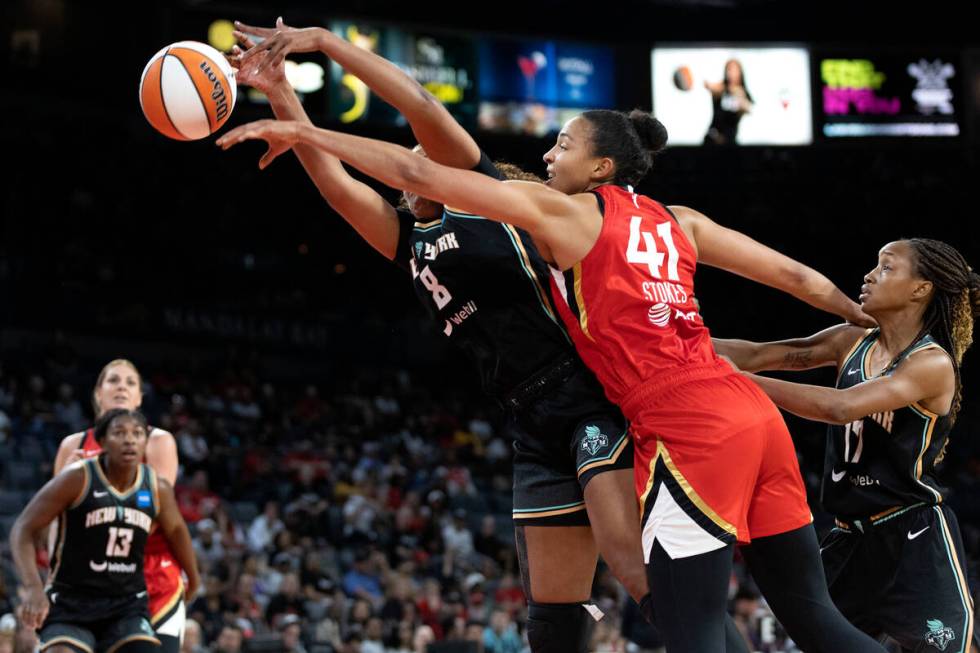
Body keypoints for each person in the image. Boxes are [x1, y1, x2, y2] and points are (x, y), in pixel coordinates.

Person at [216, 105, 886, 652]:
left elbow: (419, 138)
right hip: (639, 409)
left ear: (596, 165)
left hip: (632, 407)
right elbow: (793, 278)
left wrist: (306, 111)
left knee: (673, 603)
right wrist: (854, 312)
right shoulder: (672, 220)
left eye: (561, 144)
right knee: (792, 615)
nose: (548, 155)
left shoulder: (529, 213)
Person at [229, 18, 667, 652]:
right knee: (551, 614)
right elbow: (333, 181)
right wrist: (278, 91)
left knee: (631, 563)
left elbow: (421, 103)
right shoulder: (408, 243)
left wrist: (325, 42)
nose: (405, 160)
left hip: (584, 393)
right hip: (527, 419)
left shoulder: (485, 193)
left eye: (414, 153)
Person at [715, 238, 979, 653]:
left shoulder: (931, 363)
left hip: (911, 536)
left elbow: (840, 407)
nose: (870, 275)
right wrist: (681, 342)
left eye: (887, 267)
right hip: (846, 538)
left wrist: (734, 380)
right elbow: (763, 353)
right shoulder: (850, 340)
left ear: (920, 288)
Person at [10, 408, 200, 653]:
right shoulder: (77, 478)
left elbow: (176, 530)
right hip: (72, 604)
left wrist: (193, 577)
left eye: (137, 433)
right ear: (102, 442)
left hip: (126, 606)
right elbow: (23, 528)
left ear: (145, 442)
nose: (129, 439)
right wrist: (33, 587)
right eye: (119, 433)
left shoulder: (155, 487)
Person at [51, 359, 186, 653]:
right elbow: (54, 525)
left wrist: (88, 489)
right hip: (85, 590)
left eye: (130, 382)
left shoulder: (158, 442)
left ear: (139, 398)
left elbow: (153, 518)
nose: (122, 386)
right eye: (113, 381)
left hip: (153, 583)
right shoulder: (71, 446)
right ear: (98, 393)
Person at [703, 59, 753, 146]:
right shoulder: (721, 88)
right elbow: (711, 86)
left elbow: (748, 108)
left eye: (735, 70)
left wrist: (737, 94)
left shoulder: (742, 92)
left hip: (730, 141)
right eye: (729, 69)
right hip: (713, 138)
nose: (731, 73)